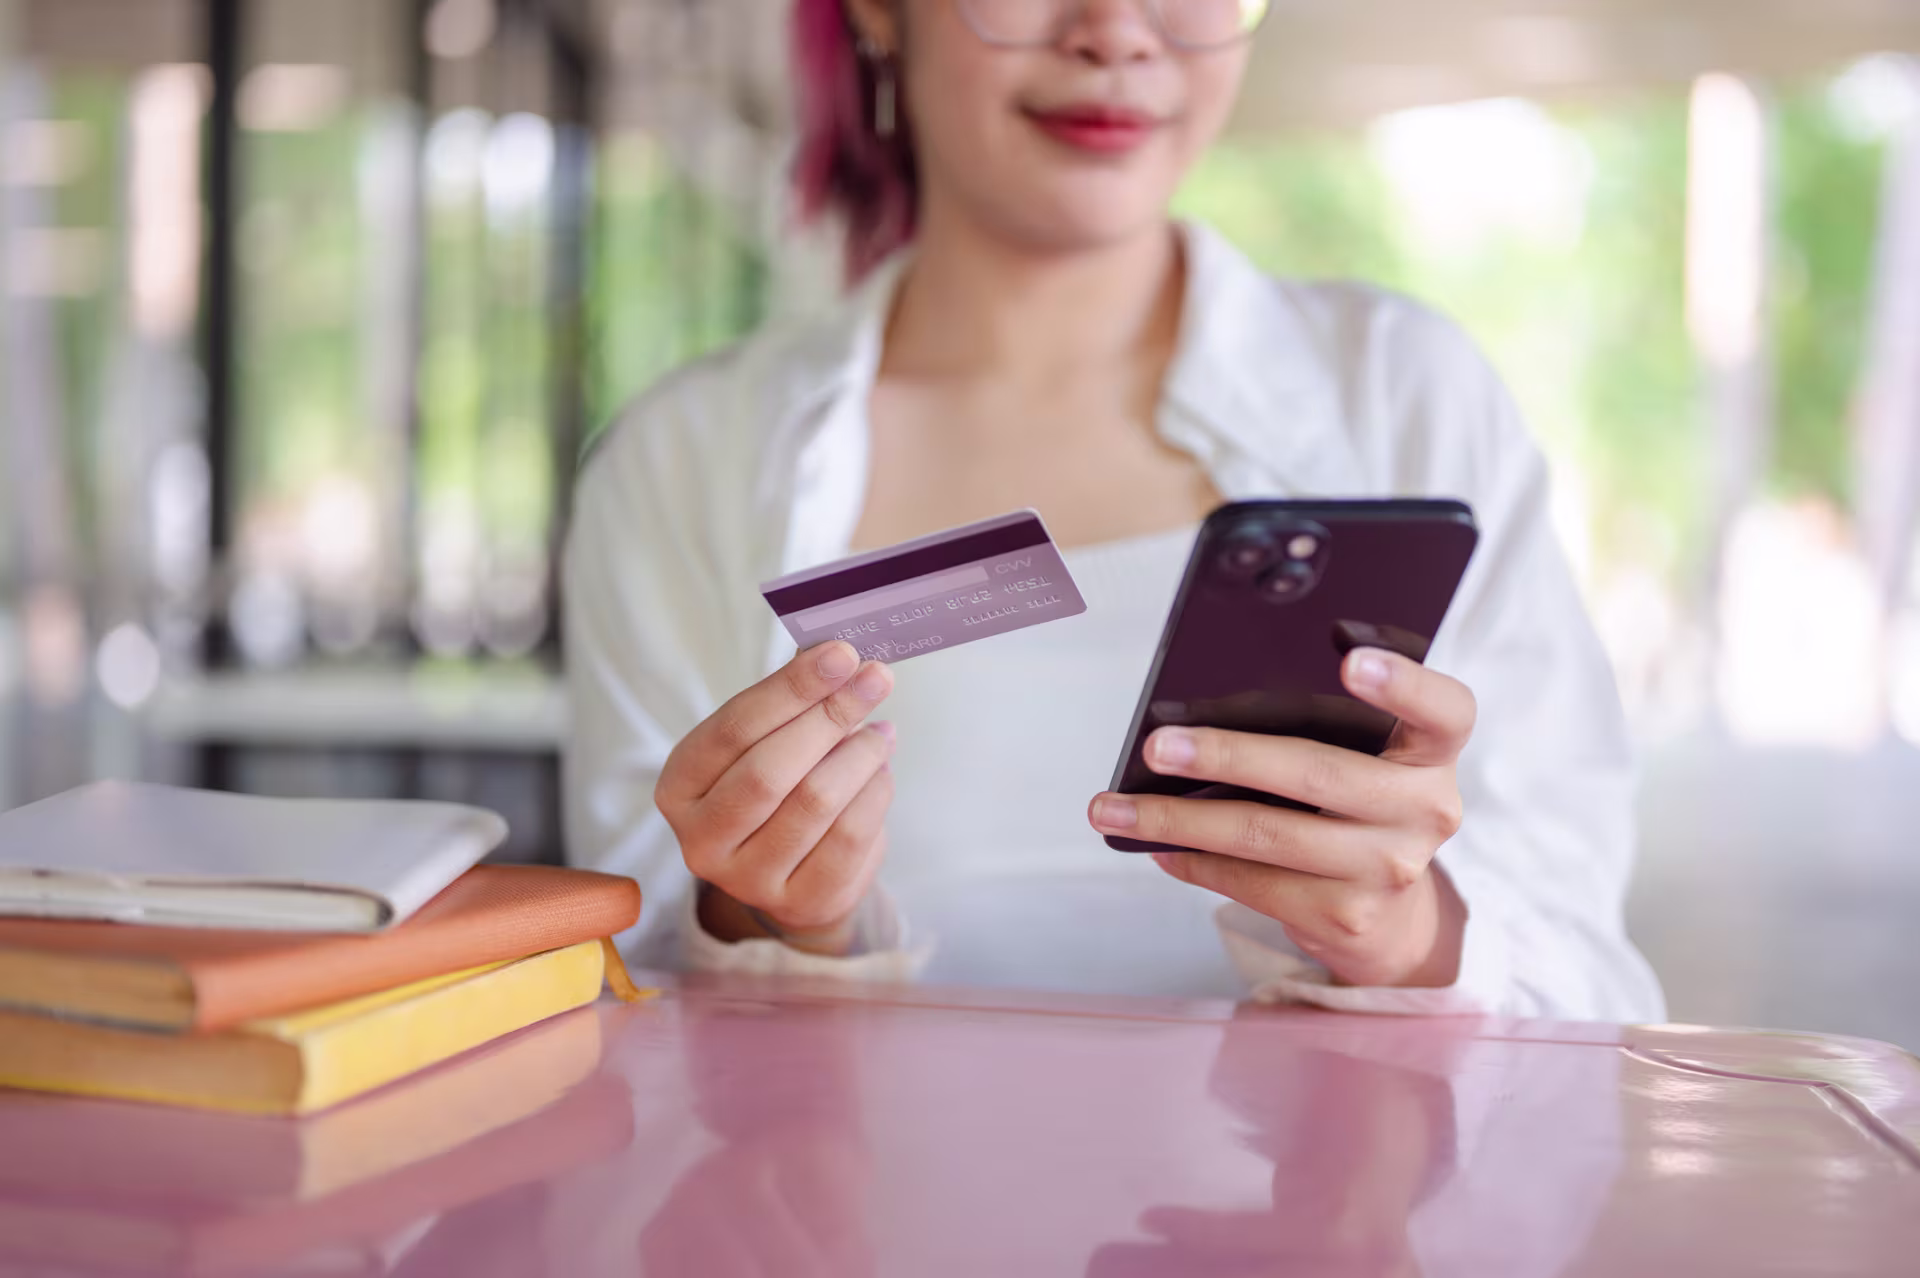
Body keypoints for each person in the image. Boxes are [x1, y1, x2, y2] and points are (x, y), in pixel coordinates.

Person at [564, 0, 1666, 1021]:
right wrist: (772, 920)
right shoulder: (681, 465)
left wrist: (1409, 931)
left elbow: (1590, 982)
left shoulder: (1407, 397)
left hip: (1305, 1228)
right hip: (866, 1216)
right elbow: (622, 1001)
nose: (1116, 32)